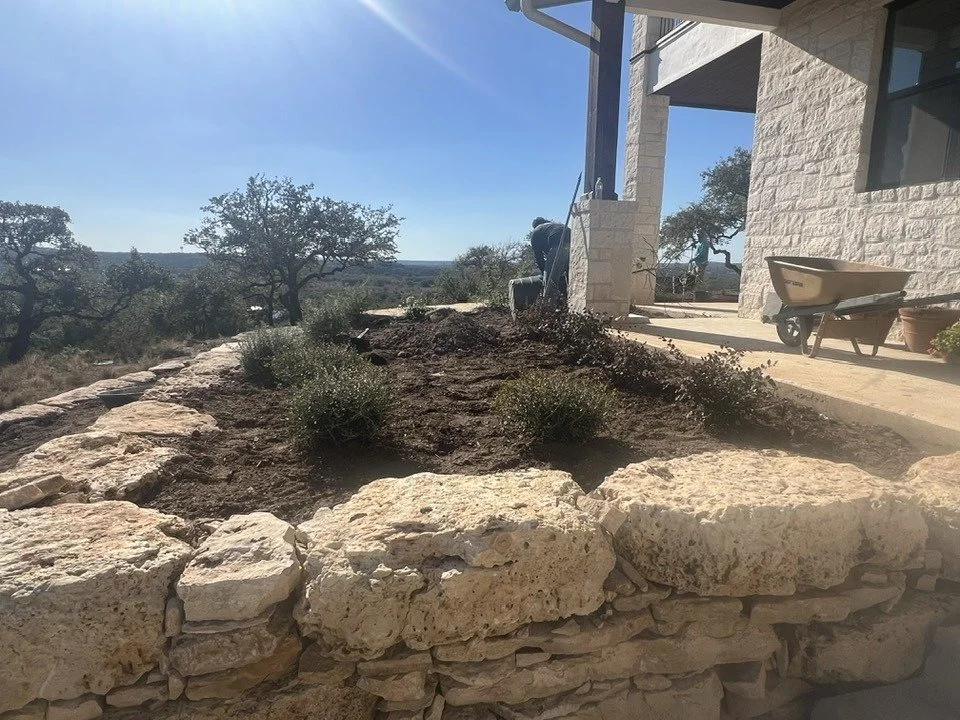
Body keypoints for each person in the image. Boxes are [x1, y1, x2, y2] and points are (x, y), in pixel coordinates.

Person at [528, 217, 570, 298]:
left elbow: (539, 258)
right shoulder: (556, 225)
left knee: (549, 282)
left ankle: (550, 304)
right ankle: (570, 301)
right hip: (575, 246)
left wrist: (544, 273)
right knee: (571, 279)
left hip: (558, 247)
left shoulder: (536, 231)